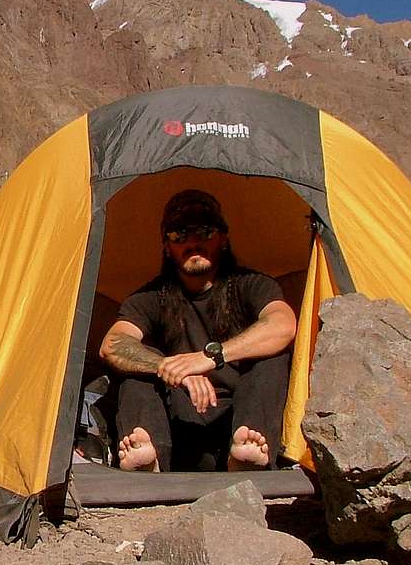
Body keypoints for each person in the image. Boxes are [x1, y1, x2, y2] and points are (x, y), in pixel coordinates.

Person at [99, 189, 297, 472]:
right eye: (180, 235)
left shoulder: (251, 285)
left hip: (237, 423)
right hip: (179, 427)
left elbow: (283, 324)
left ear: (223, 238)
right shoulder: (151, 297)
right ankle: (148, 454)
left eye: (204, 232)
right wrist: (169, 367)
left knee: (274, 355)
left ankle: (248, 453)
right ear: (167, 246)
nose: (193, 243)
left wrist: (211, 357)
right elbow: (112, 344)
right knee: (138, 365)